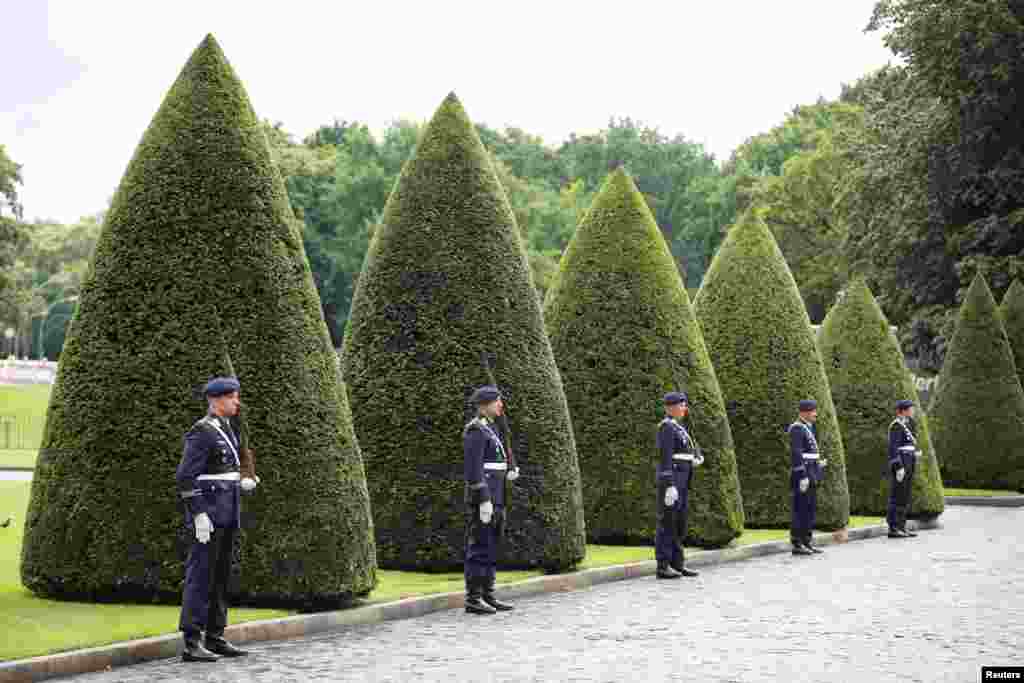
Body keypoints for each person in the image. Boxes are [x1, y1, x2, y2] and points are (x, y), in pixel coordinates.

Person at [176, 376, 259, 662]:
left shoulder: (226, 428)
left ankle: (215, 635)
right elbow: (185, 476)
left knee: (221, 577)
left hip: (227, 512)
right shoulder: (202, 431)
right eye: (232, 397)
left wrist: (242, 481)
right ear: (216, 400)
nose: (237, 402)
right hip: (209, 517)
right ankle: (191, 641)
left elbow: (223, 472)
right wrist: (198, 513)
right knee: (200, 577)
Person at [463, 384, 520, 614]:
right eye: (497, 401)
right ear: (485, 405)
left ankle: (488, 593)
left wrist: (510, 467)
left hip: (498, 497)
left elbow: (497, 461)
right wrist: (484, 498)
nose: (501, 405)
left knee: (491, 547)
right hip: (484, 499)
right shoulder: (475, 430)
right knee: (479, 547)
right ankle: (473, 598)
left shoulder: (491, 428)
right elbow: (474, 469)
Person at [654, 391, 704, 579]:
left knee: (679, 523)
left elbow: (684, 451)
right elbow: (665, 457)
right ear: (670, 408)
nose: (685, 408)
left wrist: (694, 459)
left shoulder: (678, 427)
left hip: (682, 481)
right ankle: (663, 565)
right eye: (681, 405)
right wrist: (669, 485)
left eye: (684, 405)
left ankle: (677, 563)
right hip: (673, 482)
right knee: (667, 523)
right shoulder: (666, 427)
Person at [788, 399, 828, 556]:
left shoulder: (809, 427)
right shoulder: (796, 428)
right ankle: (797, 543)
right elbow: (796, 453)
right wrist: (802, 474)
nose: (815, 414)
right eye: (812, 411)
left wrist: (818, 463)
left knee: (810, 509)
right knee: (800, 509)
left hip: (812, 472)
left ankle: (807, 541)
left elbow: (811, 453)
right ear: (804, 412)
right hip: (803, 474)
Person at [887, 399, 921, 538]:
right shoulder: (896, 426)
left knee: (905, 494)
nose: (913, 411)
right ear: (903, 410)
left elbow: (910, 444)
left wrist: (914, 453)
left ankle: (901, 526)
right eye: (910, 409)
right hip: (901, 461)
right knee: (897, 494)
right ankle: (893, 527)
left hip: (909, 460)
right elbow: (893, 448)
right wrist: (898, 466)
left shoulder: (910, 423)